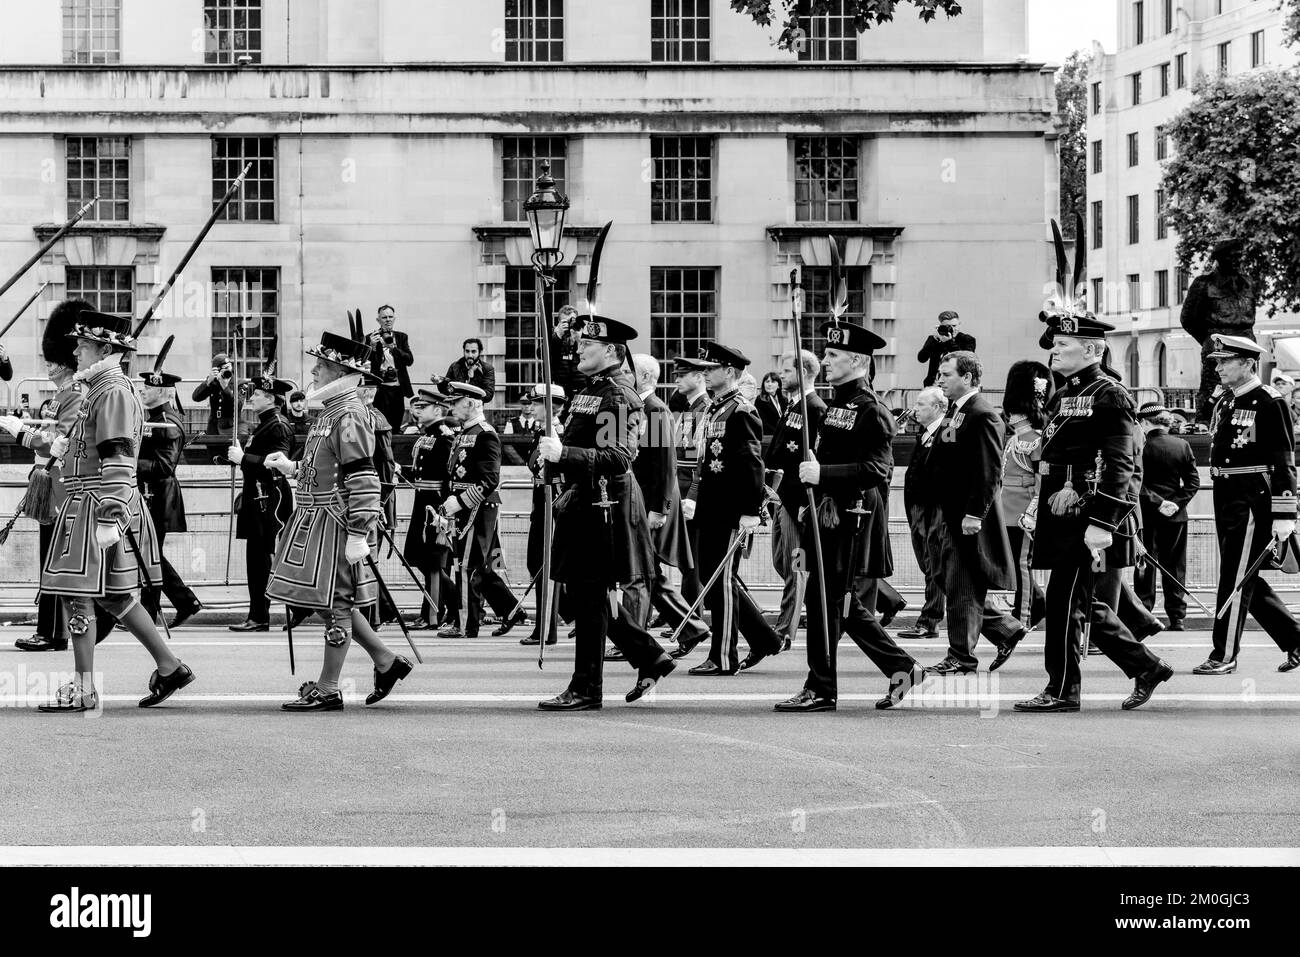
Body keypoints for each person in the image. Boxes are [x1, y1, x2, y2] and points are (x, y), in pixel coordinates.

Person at [36, 310, 195, 713]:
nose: (75, 350)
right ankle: (169, 665)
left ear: (105, 349)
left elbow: (119, 456)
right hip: (90, 501)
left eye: (83, 345)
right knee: (115, 597)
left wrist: (109, 514)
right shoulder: (100, 387)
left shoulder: (112, 390)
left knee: (78, 597)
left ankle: (84, 687)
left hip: (96, 504)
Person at [1015, 312, 1173, 713]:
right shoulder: (1066, 392)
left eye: (1063, 345)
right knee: (1073, 600)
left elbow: (1121, 463)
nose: (1054, 349)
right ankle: (1146, 667)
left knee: (1065, 601)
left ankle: (1062, 689)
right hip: (1060, 511)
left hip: (1085, 514)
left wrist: (1104, 522)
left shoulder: (1110, 393)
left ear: (1090, 350)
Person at [774, 320, 922, 712]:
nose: (825, 360)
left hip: (847, 517)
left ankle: (822, 688)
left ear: (856, 360)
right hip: (823, 514)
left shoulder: (870, 409)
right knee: (833, 602)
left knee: (830, 601)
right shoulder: (837, 402)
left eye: (833, 354)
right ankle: (898, 669)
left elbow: (878, 469)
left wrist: (824, 473)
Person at [262, 329, 413, 712]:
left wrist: (359, 529)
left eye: (321, 366)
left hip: (334, 520)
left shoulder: (349, 414)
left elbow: (363, 474)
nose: (313, 371)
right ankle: (385, 661)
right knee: (325, 601)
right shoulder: (331, 412)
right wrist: (293, 468)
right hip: (314, 516)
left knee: (337, 604)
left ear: (340, 372)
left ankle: (330, 687)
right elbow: (327, 466)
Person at [535, 316, 677, 710]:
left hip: (605, 506)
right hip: (586, 503)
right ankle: (648, 656)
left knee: (589, 596)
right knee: (588, 596)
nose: (579, 349)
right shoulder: (591, 390)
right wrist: (547, 457)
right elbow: (574, 442)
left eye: (588, 344)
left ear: (612, 351)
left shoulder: (618, 395)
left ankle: (587, 687)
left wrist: (564, 454)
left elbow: (618, 456)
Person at [1, 300, 114, 653]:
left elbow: (59, 444)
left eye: (52, 362)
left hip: (64, 488)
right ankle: (54, 629)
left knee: (55, 561)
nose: (48, 368)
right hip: (48, 484)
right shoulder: (58, 396)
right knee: (49, 560)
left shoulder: (75, 395)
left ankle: (54, 632)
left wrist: (23, 435)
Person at [1193, 335, 1300, 675]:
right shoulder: (1226, 401)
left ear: (1248, 363)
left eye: (1225, 361)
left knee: (1234, 579)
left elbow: (1284, 461)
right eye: (1217, 362)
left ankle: (1223, 654)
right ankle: (1296, 640)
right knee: (1246, 577)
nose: (1219, 367)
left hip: (1253, 497)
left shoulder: (1269, 401)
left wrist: (1285, 512)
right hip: (1227, 493)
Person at [679, 341, 784, 676]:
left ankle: (723, 656)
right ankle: (764, 639)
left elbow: (752, 464)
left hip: (729, 510)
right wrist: (695, 496)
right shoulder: (715, 408)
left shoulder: (741, 410)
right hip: (710, 506)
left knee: (720, 583)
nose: (705, 373)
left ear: (730, 372)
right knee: (717, 580)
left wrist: (751, 510)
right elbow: (706, 461)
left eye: (711, 369)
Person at [923, 352, 1024, 675]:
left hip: (966, 515)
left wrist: (974, 514)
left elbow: (989, 470)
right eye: (939, 374)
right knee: (945, 577)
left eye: (946, 374)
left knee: (961, 584)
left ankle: (961, 656)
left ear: (967, 378)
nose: (940, 379)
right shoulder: (958, 411)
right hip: (948, 512)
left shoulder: (983, 414)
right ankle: (1005, 628)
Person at [630, 354, 709, 658]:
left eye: (630, 371)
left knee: (641, 570)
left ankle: (641, 636)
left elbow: (666, 464)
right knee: (645, 570)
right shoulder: (636, 406)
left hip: (651, 501)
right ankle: (689, 627)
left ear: (646, 377)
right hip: (637, 498)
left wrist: (660, 508)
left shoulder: (657, 410)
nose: (624, 374)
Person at [434, 380, 524, 638]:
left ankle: (465, 624)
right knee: (481, 567)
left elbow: (489, 480)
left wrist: (460, 501)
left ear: (472, 403)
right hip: (463, 507)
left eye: (456, 402)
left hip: (477, 507)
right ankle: (511, 609)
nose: (451, 407)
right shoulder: (464, 432)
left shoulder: (485, 434)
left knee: (466, 566)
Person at [764, 349, 826, 648]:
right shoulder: (793, 405)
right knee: (780, 560)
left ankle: (785, 630)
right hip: (781, 494)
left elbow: (814, 457)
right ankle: (807, 598)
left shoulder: (814, 408)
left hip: (797, 500)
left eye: (787, 371)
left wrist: (805, 502)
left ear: (802, 372)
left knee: (795, 565)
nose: (781, 376)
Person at [136, 354, 203, 629]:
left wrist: (129, 463)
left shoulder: (168, 422)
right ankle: (154, 612)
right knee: (147, 555)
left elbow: (164, 465)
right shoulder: (152, 418)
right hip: (149, 494)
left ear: (162, 392)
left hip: (159, 496)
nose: (143, 390)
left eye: (149, 388)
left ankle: (179, 603)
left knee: (149, 556)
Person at [226, 372, 295, 632]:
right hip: (257, 495)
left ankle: (267, 614)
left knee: (266, 559)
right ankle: (259, 615)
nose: (251, 398)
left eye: (256, 394)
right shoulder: (266, 422)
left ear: (269, 398)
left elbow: (278, 465)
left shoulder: (277, 424)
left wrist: (243, 459)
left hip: (270, 498)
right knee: (257, 560)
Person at [1133, 402, 1200, 631]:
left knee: (1145, 563)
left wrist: (1158, 503)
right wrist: (1176, 504)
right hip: (1176, 516)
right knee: (1174, 565)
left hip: (1148, 513)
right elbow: (1193, 482)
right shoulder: (1182, 445)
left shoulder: (1139, 447)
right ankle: (1177, 616)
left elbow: (1136, 482)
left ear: (1145, 422)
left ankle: (1143, 612)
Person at [999, 360, 1052, 633]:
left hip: (1022, 509)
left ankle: (1023, 616)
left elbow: (1040, 479)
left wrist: (1032, 512)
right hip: (1006, 506)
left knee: (1022, 565)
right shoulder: (1014, 439)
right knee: (1014, 565)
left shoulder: (1037, 439)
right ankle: (1040, 606)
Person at [1180, 239, 1256, 424]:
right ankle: (1207, 429)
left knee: (1248, 391)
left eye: (1240, 256)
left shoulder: (1247, 282)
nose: (1238, 260)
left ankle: (1244, 433)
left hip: (1247, 344)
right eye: (1233, 256)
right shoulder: (1203, 283)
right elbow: (1188, 319)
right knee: (1213, 391)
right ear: (1220, 259)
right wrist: (1211, 341)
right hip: (1218, 346)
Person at [896, 386, 948, 641]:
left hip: (935, 508)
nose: (915, 409)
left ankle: (929, 620)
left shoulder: (946, 432)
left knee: (936, 566)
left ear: (937, 407)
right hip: (919, 507)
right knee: (929, 564)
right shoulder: (925, 434)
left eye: (921, 405)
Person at [519, 382, 567, 647]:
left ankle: (546, 627)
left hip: (553, 501)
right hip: (541, 499)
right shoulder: (542, 431)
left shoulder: (558, 431)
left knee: (545, 566)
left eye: (537, 403)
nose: (532, 407)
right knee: (535, 563)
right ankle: (561, 616)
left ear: (552, 407)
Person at [366, 304, 414, 433]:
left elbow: (409, 360)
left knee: (396, 424)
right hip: (380, 389)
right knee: (380, 426)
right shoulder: (371, 338)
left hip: (398, 388)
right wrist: (373, 347)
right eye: (384, 317)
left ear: (394, 319)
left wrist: (393, 348)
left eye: (390, 317)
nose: (388, 320)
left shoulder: (401, 337)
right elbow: (367, 365)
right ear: (378, 320)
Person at [916, 310, 977, 387]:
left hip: (957, 387)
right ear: (941, 326)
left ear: (959, 324)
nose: (952, 329)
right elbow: (921, 358)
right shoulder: (935, 339)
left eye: (954, 326)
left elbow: (966, 360)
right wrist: (934, 339)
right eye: (947, 326)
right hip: (934, 386)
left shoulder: (967, 340)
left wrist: (948, 342)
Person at [548, 303, 589, 400]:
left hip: (581, 386)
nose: (569, 324)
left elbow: (591, 354)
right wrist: (557, 336)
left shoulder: (584, 333)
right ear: (559, 322)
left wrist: (579, 338)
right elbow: (541, 354)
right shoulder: (554, 334)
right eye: (565, 321)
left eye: (572, 321)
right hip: (560, 387)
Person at [192, 353, 235, 434]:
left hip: (229, 427)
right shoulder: (213, 383)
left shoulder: (238, 383)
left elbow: (237, 405)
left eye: (229, 366)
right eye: (224, 368)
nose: (228, 370)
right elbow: (196, 397)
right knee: (211, 446)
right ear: (217, 370)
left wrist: (225, 386)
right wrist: (208, 382)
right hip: (213, 426)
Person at [445, 337, 497, 403]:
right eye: (467, 351)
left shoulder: (487, 369)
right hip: (456, 408)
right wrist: (440, 382)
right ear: (464, 351)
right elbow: (446, 390)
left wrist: (472, 380)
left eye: (473, 351)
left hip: (475, 409)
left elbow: (488, 396)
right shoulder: (454, 366)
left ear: (480, 352)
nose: (470, 355)